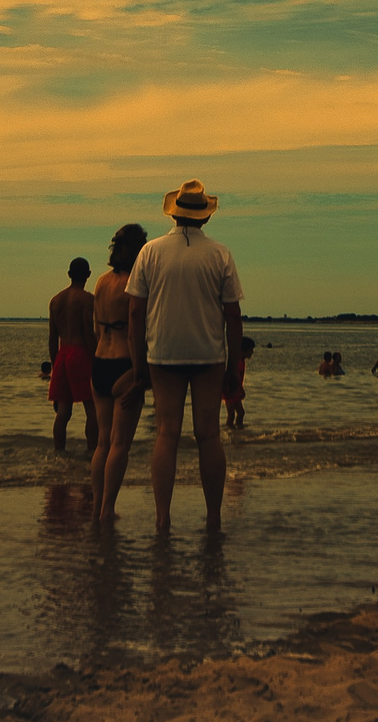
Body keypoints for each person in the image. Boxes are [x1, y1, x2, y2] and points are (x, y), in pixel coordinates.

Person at [127, 180, 244, 533]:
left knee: (167, 434)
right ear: (205, 218)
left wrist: (137, 364)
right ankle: (212, 517)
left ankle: (163, 518)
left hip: (162, 353)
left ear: (175, 213)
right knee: (209, 435)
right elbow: (233, 316)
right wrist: (235, 366)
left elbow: (135, 312)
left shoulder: (150, 251)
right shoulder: (220, 254)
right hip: (209, 353)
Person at [89, 224, 147, 522]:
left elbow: (97, 328)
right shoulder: (134, 285)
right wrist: (141, 375)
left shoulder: (100, 282)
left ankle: (98, 504)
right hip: (125, 365)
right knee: (120, 443)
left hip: (99, 364)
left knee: (102, 441)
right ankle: (108, 509)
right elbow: (137, 331)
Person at [48, 257, 99, 453]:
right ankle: (92, 452)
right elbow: (88, 332)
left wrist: (55, 365)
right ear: (88, 275)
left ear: (69, 274)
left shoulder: (55, 300)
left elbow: (53, 338)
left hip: (62, 353)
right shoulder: (87, 299)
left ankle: (58, 454)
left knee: (62, 412)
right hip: (80, 353)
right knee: (91, 409)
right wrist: (97, 360)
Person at [224, 336, 255, 429]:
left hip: (236, 389)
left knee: (241, 413)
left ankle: (238, 430)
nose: (252, 352)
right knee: (231, 414)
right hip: (230, 390)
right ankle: (229, 431)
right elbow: (233, 376)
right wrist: (239, 389)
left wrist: (240, 388)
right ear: (244, 350)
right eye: (251, 350)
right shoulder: (237, 361)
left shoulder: (241, 360)